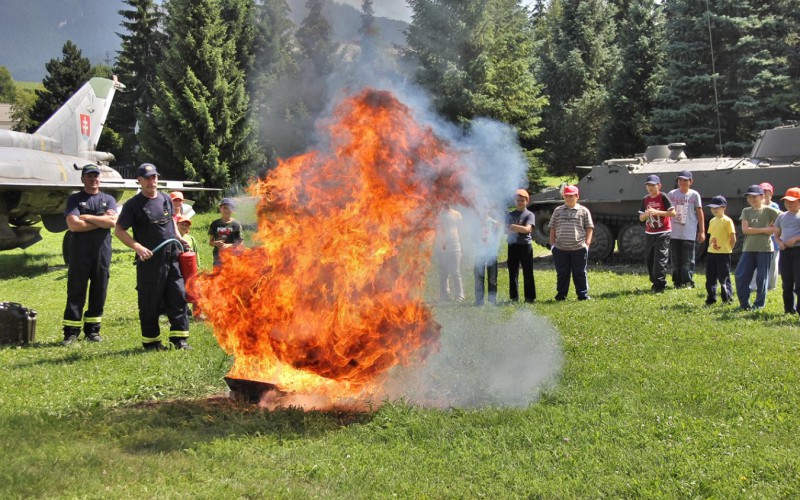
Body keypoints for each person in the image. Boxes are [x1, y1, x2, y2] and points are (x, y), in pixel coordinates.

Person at [114, 163, 191, 350]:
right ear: (139, 181)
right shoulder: (133, 205)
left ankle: (179, 339)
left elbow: (171, 221)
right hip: (150, 261)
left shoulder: (165, 199)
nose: (151, 181)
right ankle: (152, 342)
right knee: (150, 302)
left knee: (178, 296)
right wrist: (138, 247)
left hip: (171, 257)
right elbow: (119, 230)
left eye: (154, 177)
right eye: (147, 178)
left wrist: (179, 238)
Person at [61, 164, 118, 345]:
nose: (93, 179)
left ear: (100, 178)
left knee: (99, 290)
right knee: (76, 290)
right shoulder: (75, 199)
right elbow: (74, 225)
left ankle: (93, 330)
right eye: (89, 176)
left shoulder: (108, 199)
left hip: (102, 251)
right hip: (79, 251)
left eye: (96, 176)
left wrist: (86, 217)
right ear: (83, 179)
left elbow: (112, 223)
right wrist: (101, 220)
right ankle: (71, 332)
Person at [734, 184, 780, 311]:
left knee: (761, 278)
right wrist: (765, 230)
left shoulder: (769, 210)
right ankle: (744, 304)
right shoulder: (746, 211)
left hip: (765, 249)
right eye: (749, 197)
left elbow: (784, 219)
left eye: (754, 196)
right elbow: (745, 230)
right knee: (740, 275)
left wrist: (775, 231)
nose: (751, 199)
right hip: (748, 249)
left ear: (762, 196)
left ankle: (759, 304)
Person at [549, 185, 594, 301]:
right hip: (560, 249)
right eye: (566, 196)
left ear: (577, 196)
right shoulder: (558, 211)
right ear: (563, 197)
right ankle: (561, 295)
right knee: (562, 273)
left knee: (579, 273)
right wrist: (552, 244)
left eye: (571, 196)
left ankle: (583, 295)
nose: (569, 198)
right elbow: (552, 227)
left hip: (578, 248)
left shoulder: (584, 211)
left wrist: (587, 244)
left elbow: (589, 227)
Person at [667, 170, 705, 288]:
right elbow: (667, 211)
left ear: (691, 181)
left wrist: (702, 231)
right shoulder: (671, 194)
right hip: (674, 232)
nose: (682, 182)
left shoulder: (694, 195)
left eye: (685, 180)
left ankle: (687, 281)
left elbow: (699, 212)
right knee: (675, 259)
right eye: (680, 180)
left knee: (688, 260)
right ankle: (677, 282)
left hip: (688, 232)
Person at [639, 175, 676, 293]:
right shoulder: (645, 199)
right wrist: (645, 215)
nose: (650, 187)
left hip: (663, 232)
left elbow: (673, 213)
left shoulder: (663, 196)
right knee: (649, 259)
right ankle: (654, 282)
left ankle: (660, 285)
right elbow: (641, 218)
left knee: (660, 259)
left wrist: (657, 212)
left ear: (659, 186)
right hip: (649, 232)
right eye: (648, 185)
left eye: (652, 185)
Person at [505, 189, 536, 303]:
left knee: (528, 272)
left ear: (527, 201)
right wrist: (519, 229)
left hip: (525, 246)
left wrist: (512, 226)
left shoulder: (529, 215)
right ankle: (514, 298)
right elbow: (505, 231)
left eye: (522, 200)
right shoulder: (509, 214)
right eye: (518, 200)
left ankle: (529, 297)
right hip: (512, 245)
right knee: (513, 272)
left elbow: (527, 229)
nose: (520, 202)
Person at [704, 196, 736, 305]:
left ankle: (727, 297)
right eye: (712, 208)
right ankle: (711, 298)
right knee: (710, 277)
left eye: (716, 207)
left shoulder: (727, 221)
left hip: (723, 254)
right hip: (711, 252)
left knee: (724, 277)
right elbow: (711, 236)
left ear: (724, 208)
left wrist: (729, 249)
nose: (714, 210)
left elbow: (733, 238)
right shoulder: (712, 221)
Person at [750, 182, 781, 291]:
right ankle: (753, 285)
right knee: (756, 264)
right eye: (761, 192)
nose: (763, 194)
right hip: (759, 240)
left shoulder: (774, 207)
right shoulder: (756, 207)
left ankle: (771, 286)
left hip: (773, 240)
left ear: (770, 193)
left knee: (773, 264)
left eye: (765, 191)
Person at [773, 187, 800, 314]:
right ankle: (788, 310)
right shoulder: (781, 216)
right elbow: (776, 235)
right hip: (785, 252)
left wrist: (796, 238)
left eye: (792, 201)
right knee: (787, 282)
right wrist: (779, 243)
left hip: (798, 251)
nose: (788, 204)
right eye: (786, 201)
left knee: (799, 282)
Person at [435, 206, 465, 302]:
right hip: (441, 248)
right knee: (443, 273)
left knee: (455, 272)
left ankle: (459, 295)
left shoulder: (457, 214)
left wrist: (459, 243)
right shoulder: (437, 214)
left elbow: (461, 230)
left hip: (454, 248)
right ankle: (444, 295)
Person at [473, 207, 502, 306]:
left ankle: (492, 300)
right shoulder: (474, 223)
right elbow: (472, 238)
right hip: (479, 253)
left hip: (491, 253)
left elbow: (498, 237)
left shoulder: (495, 223)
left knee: (492, 278)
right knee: (479, 277)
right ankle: (479, 301)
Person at [208, 197, 244, 267]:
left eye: (229, 208)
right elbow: (210, 242)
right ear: (220, 208)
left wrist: (228, 246)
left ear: (233, 210)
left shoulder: (236, 224)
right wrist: (216, 243)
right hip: (218, 257)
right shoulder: (215, 224)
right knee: (217, 273)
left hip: (232, 256)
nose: (227, 210)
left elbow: (241, 242)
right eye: (224, 208)